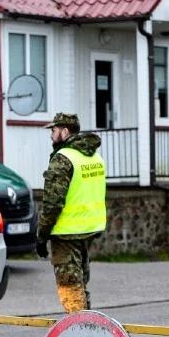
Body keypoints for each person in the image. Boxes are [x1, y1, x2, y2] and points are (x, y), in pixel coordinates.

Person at [36, 112, 107, 313]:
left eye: (54, 130)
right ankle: (88, 325)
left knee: (70, 288)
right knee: (81, 283)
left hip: (66, 232)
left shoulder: (63, 159)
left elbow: (52, 203)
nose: (51, 135)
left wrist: (42, 236)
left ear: (65, 132)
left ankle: (80, 331)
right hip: (89, 228)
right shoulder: (94, 156)